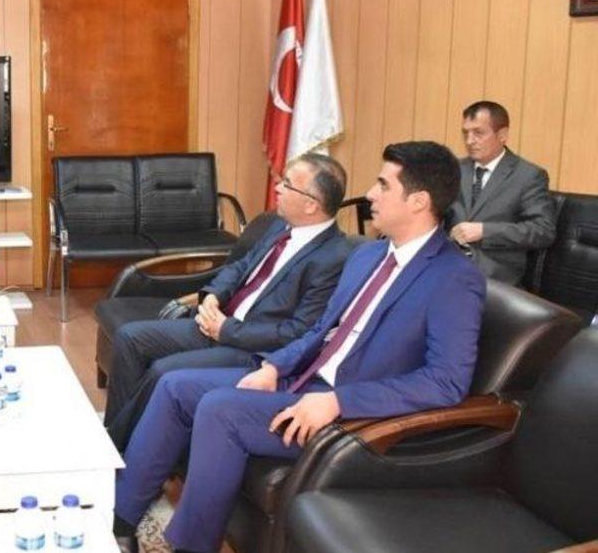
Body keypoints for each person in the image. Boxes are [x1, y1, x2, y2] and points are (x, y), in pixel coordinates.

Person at [113, 141, 485, 553]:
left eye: (383, 185)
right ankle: (119, 519)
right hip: (302, 379)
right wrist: (275, 366)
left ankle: (192, 547)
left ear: (418, 201)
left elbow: (445, 382)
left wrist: (339, 401)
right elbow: (321, 330)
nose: (371, 195)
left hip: (351, 411)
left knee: (221, 410)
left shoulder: (454, 277)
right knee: (175, 387)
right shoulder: (369, 256)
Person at [104, 153, 354, 450]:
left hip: (251, 348)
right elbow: (239, 266)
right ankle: (115, 435)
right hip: (217, 323)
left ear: (311, 204)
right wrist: (214, 295)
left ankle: (118, 447)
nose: (277, 188)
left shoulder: (335, 257)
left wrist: (227, 330)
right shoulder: (280, 226)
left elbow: (298, 332)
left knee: (163, 371)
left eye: (287, 184)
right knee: (129, 338)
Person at [448, 100, 556, 284]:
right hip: (449, 267)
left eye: (478, 133)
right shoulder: (454, 169)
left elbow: (542, 230)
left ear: (502, 135)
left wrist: (484, 231)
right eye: (465, 133)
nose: (469, 141)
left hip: (494, 277)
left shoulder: (528, 175)